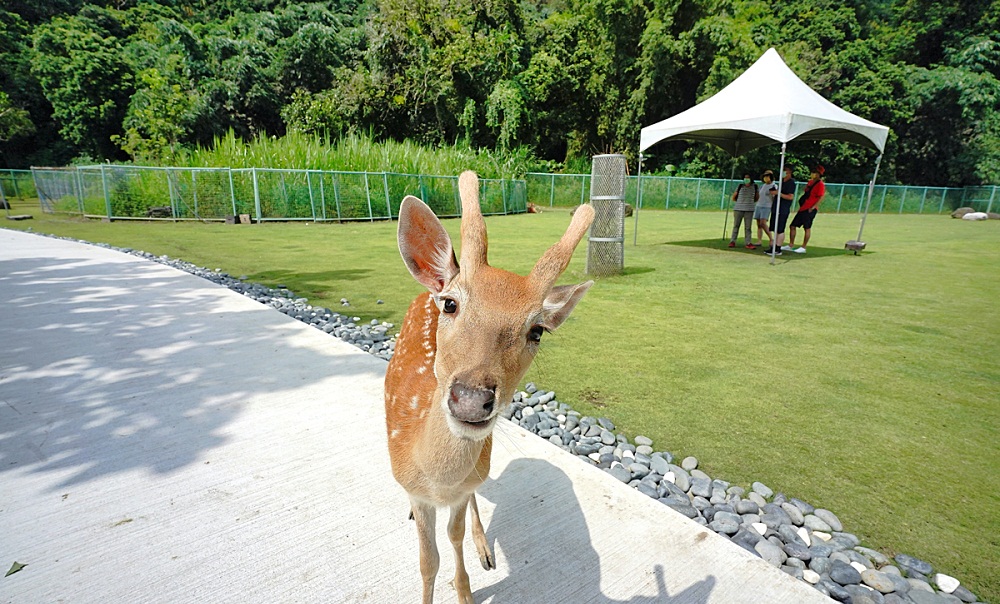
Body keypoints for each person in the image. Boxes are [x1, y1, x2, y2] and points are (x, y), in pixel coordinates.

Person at [786, 165, 826, 254]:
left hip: (810, 208)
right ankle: (790, 245)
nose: (813, 174)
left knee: (807, 228)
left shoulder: (820, 184)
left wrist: (813, 207)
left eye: (815, 172)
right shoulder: (810, 182)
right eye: (813, 172)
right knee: (792, 226)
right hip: (803, 207)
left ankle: (803, 247)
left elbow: (821, 197)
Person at [764, 165, 796, 256]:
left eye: (785, 170)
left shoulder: (791, 183)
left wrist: (779, 193)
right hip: (776, 207)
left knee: (780, 229)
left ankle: (778, 248)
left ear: (789, 172)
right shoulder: (782, 182)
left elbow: (790, 197)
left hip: (783, 209)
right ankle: (774, 247)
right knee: (775, 228)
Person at [729, 172, 758, 249]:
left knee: (748, 227)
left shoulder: (755, 186)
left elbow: (756, 197)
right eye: (745, 178)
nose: (746, 179)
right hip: (738, 208)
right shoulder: (740, 186)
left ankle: (748, 242)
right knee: (736, 226)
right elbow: (734, 197)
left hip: (749, 209)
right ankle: (732, 241)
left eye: (748, 177)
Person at [754, 170, 778, 248]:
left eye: (768, 176)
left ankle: (771, 239)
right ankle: (759, 240)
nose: (766, 178)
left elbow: (775, 197)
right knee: (758, 224)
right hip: (759, 205)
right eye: (765, 176)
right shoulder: (762, 186)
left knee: (763, 223)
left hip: (767, 206)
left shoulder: (774, 186)